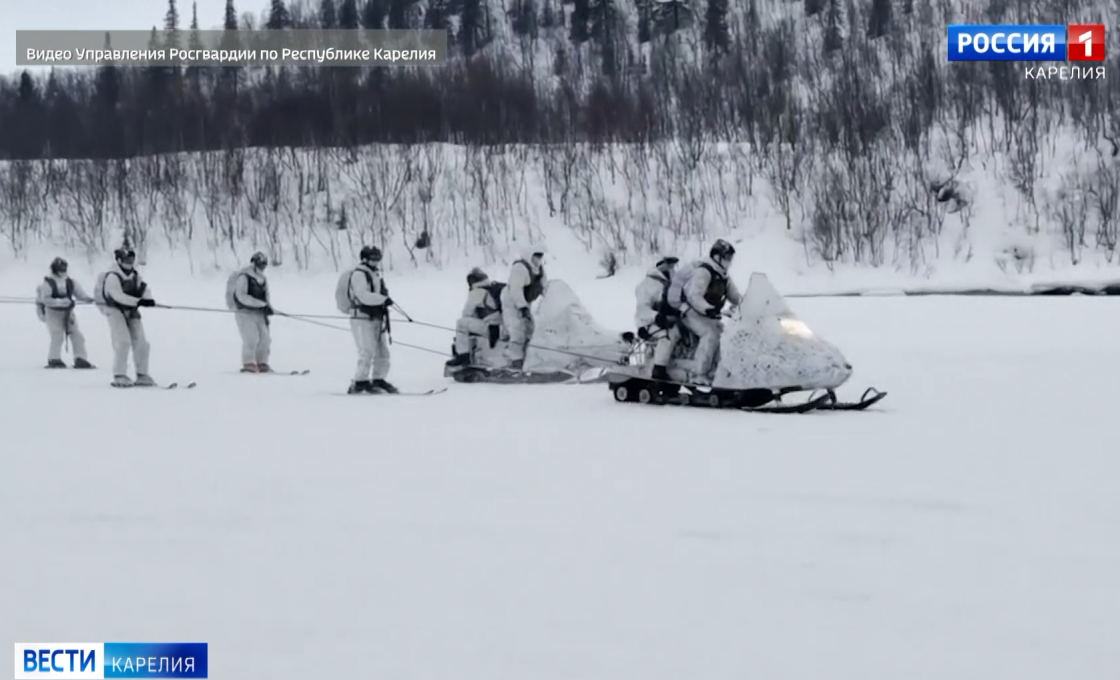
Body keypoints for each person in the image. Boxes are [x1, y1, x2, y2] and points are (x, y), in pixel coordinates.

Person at [667, 239, 742, 383]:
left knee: (725, 336)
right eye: (726, 258)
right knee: (710, 334)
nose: (729, 262)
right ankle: (699, 373)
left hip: (709, 316)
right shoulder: (704, 271)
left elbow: (735, 296)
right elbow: (694, 295)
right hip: (691, 313)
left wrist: (747, 304)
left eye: (730, 259)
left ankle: (717, 370)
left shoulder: (723, 276)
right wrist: (707, 308)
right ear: (717, 257)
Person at [95, 248, 157, 387]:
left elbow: (143, 289)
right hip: (114, 309)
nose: (130, 263)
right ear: (119, 261)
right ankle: (119, 374)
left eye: (131, 260)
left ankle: (142, 374)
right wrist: (138, 301)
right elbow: (117, 296)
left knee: (141, 343)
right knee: (123, 341)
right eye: (126, 260)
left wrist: (148, 299)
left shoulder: (135, 275)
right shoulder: (112, 277)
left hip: (131, 310)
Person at [339, 246, 397, 394]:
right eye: (373, 258)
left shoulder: (374, 273)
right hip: (361, 317)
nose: (376, 261)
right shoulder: (359, 274)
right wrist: (382, 299)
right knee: (367, 351)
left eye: (378, 258)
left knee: (382, 351)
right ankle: (359, 381)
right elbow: (362, 295)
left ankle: (378, 379)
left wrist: (383, 299)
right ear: (364, 259)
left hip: (376, 317)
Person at [36, 257, 95, 369]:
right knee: (57, 334)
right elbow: (46, 300)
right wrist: (63, 302)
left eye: (64, 268)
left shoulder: (70, 282)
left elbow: (79, 294)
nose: (62, 271)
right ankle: (54, 359)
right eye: (60, 269)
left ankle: (80, 358)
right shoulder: (48, 283)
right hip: (52, 313)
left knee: (77, 335)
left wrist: (87, 299)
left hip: (68, 312)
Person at [226, 252, 274, 373]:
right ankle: (248, 362)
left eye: (264, 264)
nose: (262, 267)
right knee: (251, 337)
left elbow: (266, 296)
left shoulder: (263, 279)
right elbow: (241, 296)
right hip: (244, 312)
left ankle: (262, 362)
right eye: (260, 264)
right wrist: (260, 305)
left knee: (265, 339)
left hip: (259, 313)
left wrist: (268, 308)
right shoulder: (244, 276)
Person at [633, 254, 679, 381]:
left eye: (673, 265)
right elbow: (642, 309)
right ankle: (659, 369)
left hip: (668, 321)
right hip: (649, 324)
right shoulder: (648, 285)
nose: (671, 268)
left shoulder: (671, 283)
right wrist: (657, 317)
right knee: (667, 337)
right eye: (668, 264)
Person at [447, 267, 504, 368]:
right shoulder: (493, 288)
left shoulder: (477, 292)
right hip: (501, 326)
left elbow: (467, 313)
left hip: (490, 327)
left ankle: (463, 356)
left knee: (461, 323)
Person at [500, 245, 547, 369]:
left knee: (531, 329)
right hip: (511, 301)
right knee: (517, 328)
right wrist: (522, 307)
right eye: (535, 255)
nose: (538, 258)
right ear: (529, 255)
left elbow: (545, 286)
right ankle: (515, 362)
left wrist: (552, 299)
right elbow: (516, 290)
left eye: (540, 255)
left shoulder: (539, 270)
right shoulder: (520, 268)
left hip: (526, 302)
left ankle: (530, 358)